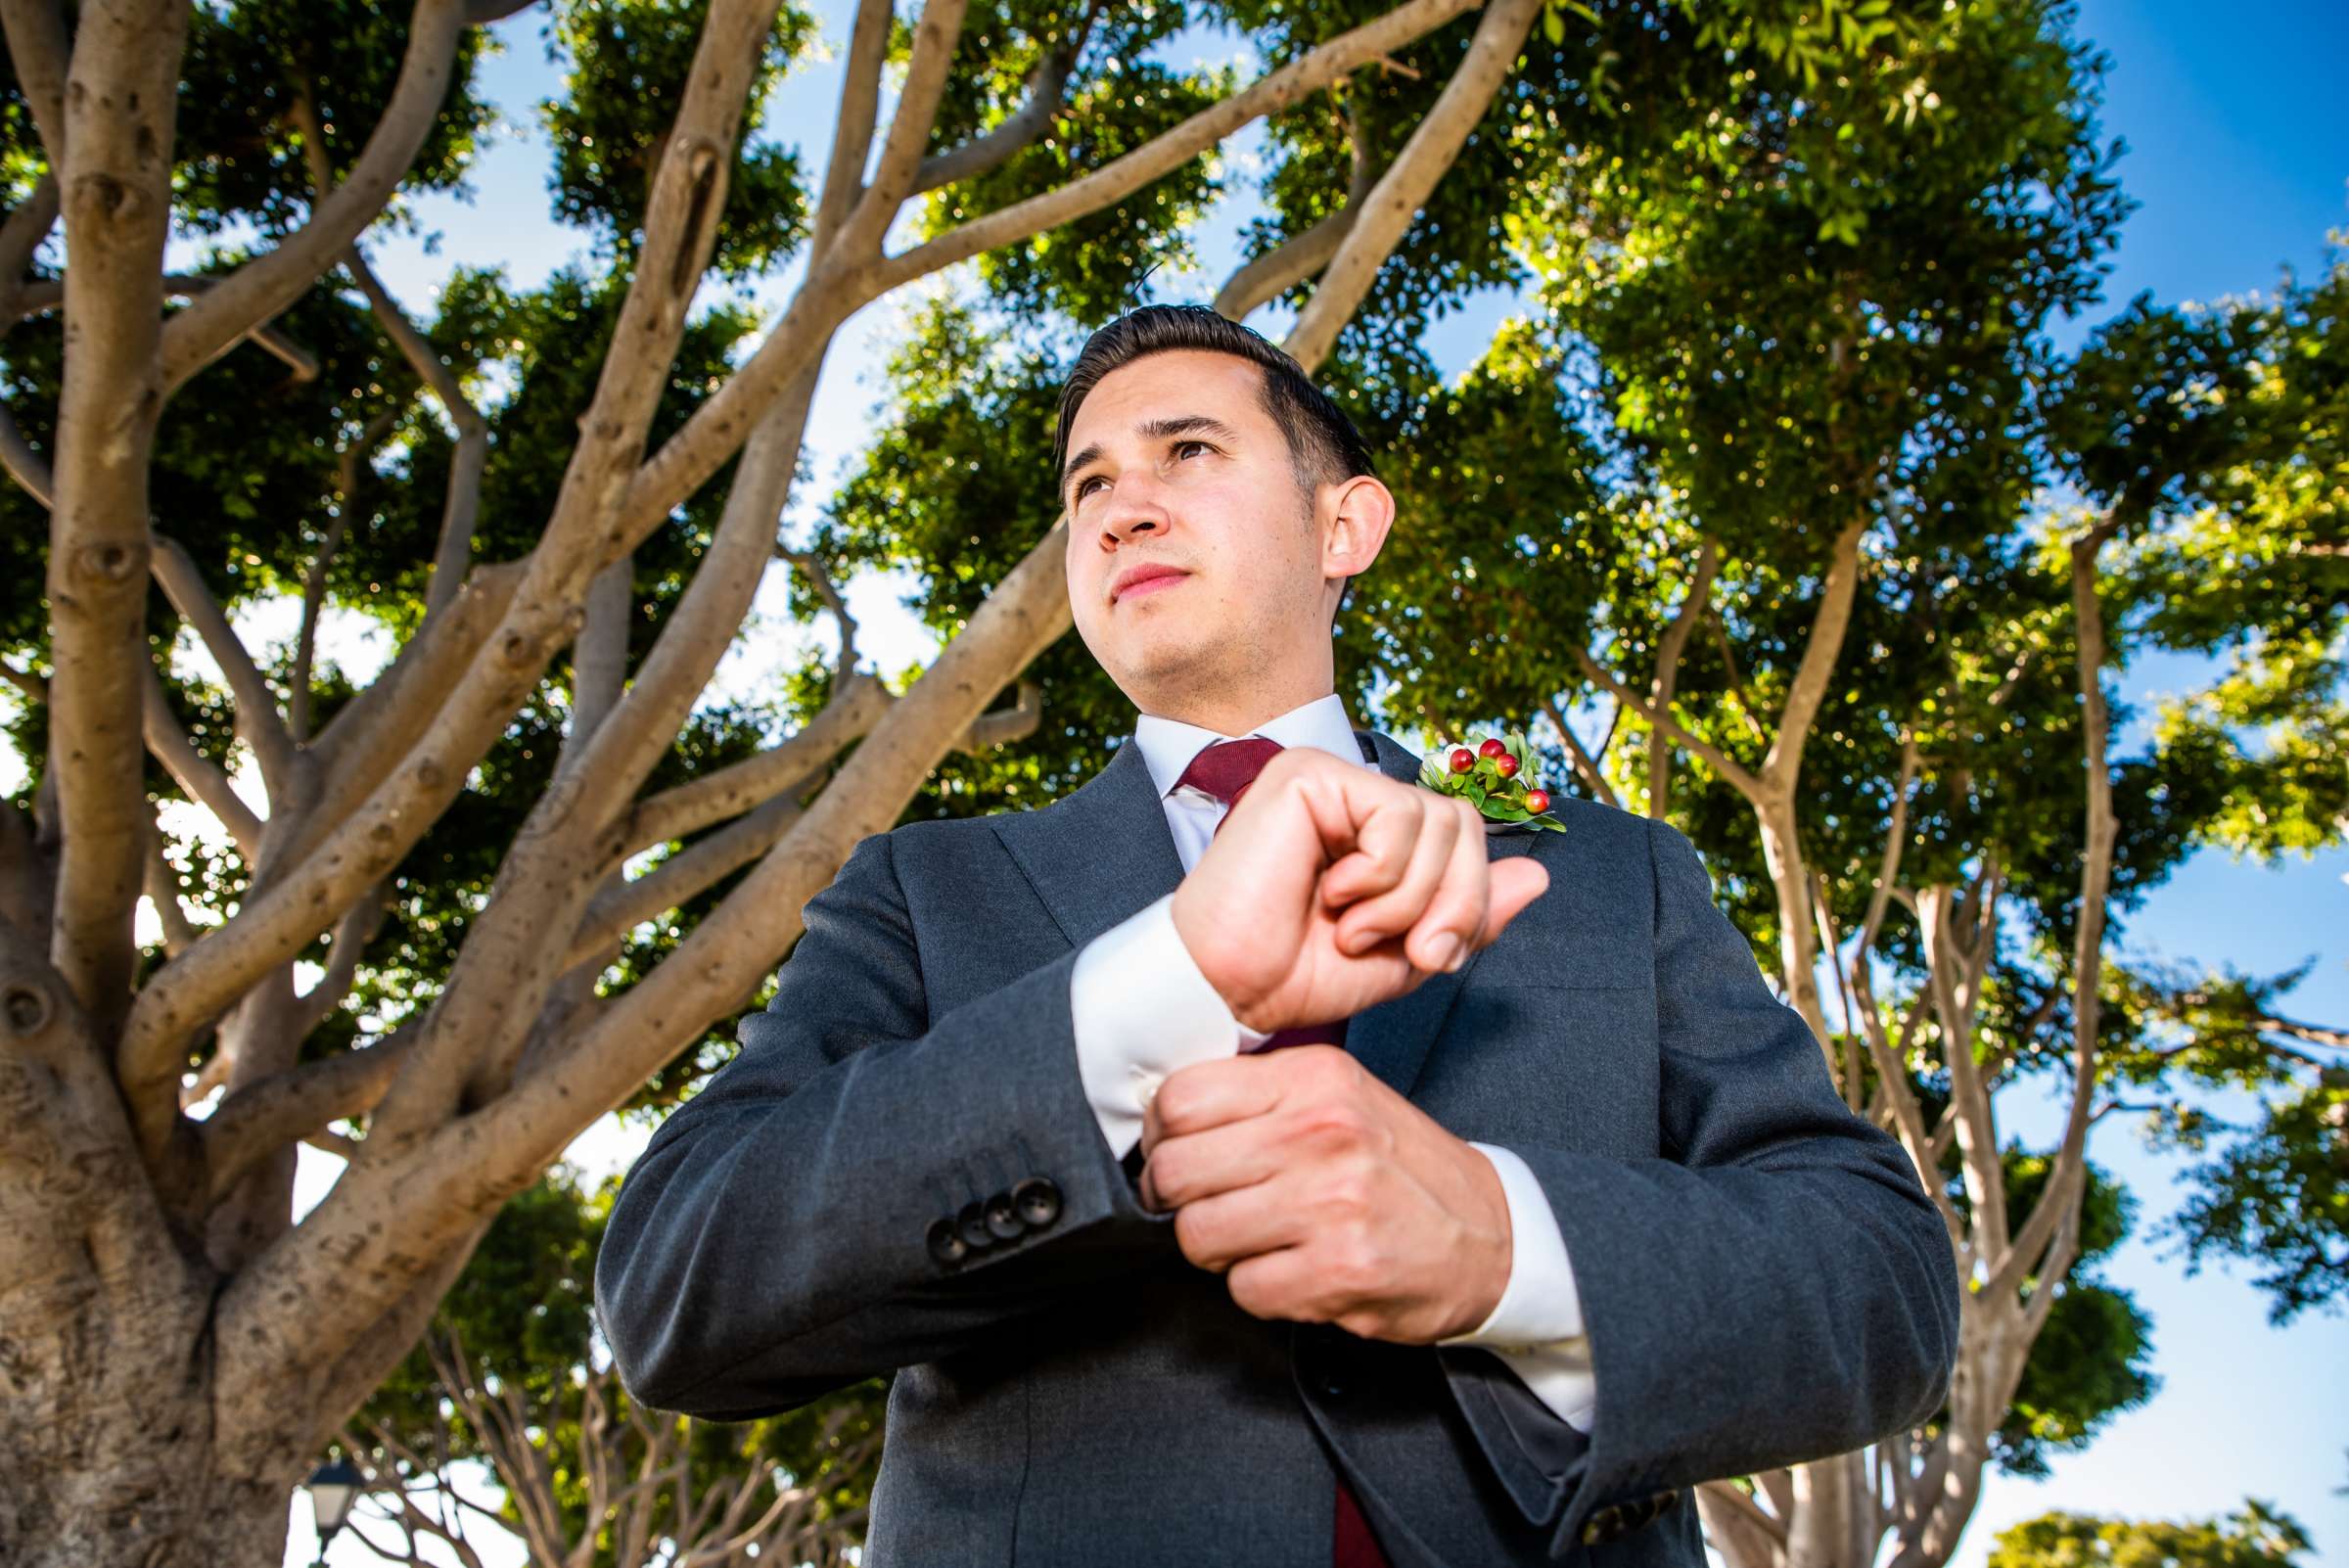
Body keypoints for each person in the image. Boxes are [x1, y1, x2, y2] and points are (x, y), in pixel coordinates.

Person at [595, 304, 1960, 1567]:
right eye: (1087, 486)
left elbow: (1881, 1279)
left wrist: (1500, 1244)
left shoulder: (1613, 871)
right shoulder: (920, 886)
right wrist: (1160, 995)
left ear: (1344, 527)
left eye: (1186, 449)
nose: (1122, 507)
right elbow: (674, 1291)